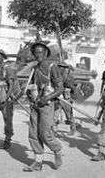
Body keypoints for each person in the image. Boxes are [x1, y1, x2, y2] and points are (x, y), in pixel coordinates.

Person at [23, 42, 64, 172]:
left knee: (45, 133)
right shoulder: (34, 69)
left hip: (47, 104)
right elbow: (32, 86)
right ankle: (38, 162)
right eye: (35, 52)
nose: (38, 55)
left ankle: (57, 150)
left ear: (46, 53)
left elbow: (60, 89)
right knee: (33, 133)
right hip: (35, 104)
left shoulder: (53, 67)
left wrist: (46, 97)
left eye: (40, 52)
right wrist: (30, 94)